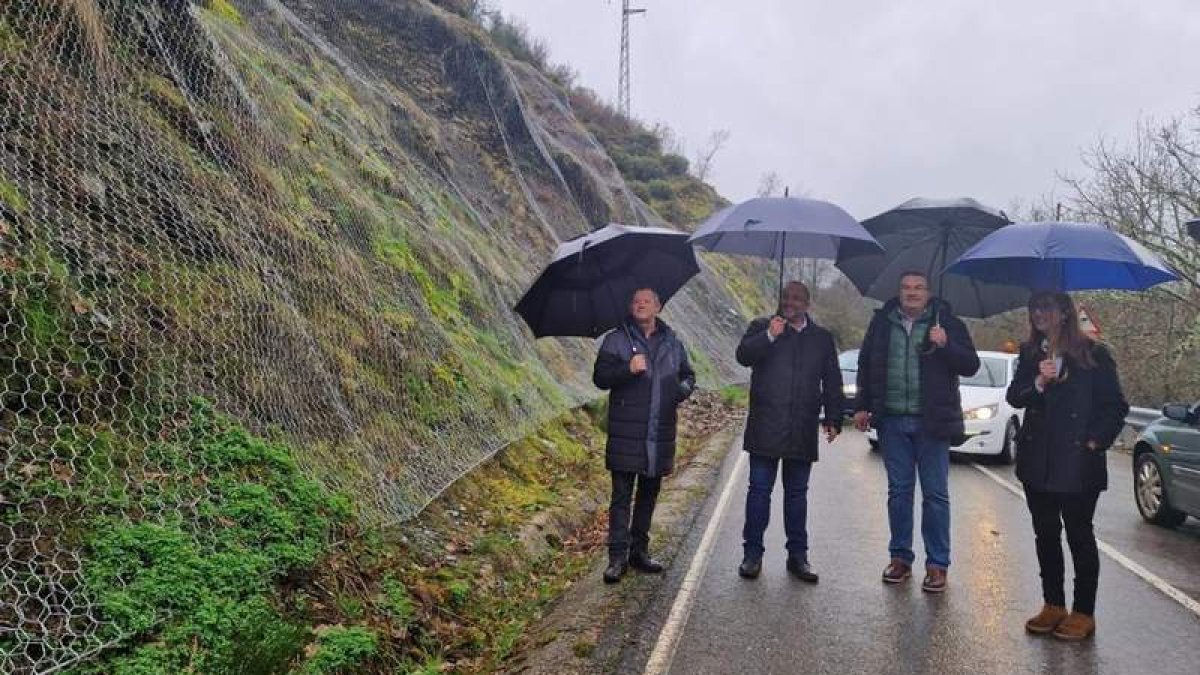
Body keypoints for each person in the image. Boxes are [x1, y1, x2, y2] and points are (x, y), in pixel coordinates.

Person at [1006, 291, 1128, 640]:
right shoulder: (1031, 353)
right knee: (1045, 534)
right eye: (1033, 308)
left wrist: (1094, 441)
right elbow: (1015, 397)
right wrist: (1038, 382)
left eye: (1045, 307)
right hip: (1037, 462)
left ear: (1064, 312)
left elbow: (1115, 407)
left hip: (1077, 462)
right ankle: (1053, 604)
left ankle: (1083, 612)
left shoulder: (1094, 354)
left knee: (1079, 536)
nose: (1037, 313)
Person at [853, 271, 979, 593]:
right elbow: (867, 364)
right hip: (893, 420)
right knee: (899, 494)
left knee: (935, 495)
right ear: (899, 291)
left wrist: (946, 345)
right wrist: (863, 405)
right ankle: (900, 559)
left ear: (928, 293)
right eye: (906, 287)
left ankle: (937, 564)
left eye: (918, 287)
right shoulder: (882, 322)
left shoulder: (947, 323)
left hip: (932, 422)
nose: (912, 292)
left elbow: (970, 365)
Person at [735, 281, 843, 582]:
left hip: (802, 427)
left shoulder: (821, 338)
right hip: (765, 426)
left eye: (796, 298)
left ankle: (798, 557)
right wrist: (769, 336)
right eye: (785, 297)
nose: (789, 302)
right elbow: (743, 356)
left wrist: (833, 417)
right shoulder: (762, 326)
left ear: (807, 304)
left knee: (797, 496)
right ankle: (752, 555)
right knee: (759, 492)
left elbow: (832, 380)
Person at [593, 287, 696, 584]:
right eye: (635, 300)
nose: (640, 305)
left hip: (659, 431)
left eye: (646, 301)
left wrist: (680, 392)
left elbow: (689, 375)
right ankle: (616, 558)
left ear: (658, 307)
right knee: (621, 497)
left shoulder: (672, 342)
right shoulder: (616, 339)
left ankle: (639, 552)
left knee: (649, 495)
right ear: (630, 306)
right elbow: (600, 378)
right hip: (627, 431)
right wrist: (627, 368)